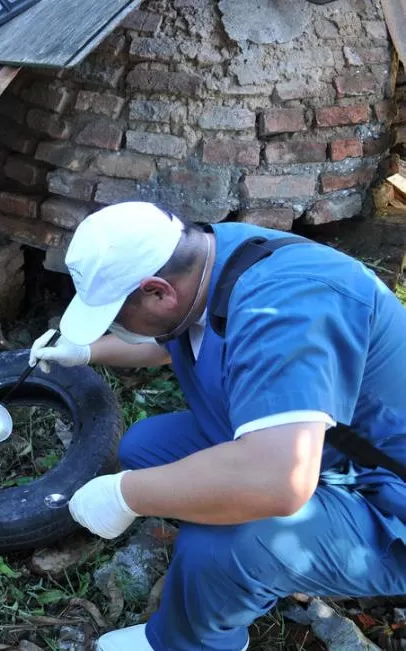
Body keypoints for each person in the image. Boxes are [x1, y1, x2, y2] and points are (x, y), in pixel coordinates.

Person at [28, 201, 406, 651]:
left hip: (380, 492)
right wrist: (89, 352)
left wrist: (125, 493)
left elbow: (278, 482)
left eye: (114, 314)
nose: (112, 325)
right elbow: (175, 339)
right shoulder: (210, 257)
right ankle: (236, 570)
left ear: (157, 291)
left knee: (219, 546)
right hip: (322, 445)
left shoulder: (286, 308)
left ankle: (198, 637)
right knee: (146, 448)